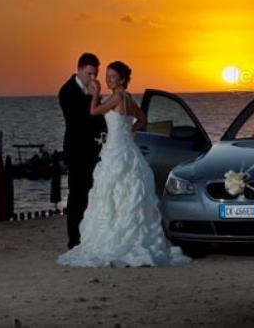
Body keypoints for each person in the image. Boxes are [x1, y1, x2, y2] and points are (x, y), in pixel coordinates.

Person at [57, 61, 190, 267]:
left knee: (112, 191)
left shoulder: (117, 96)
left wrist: (95, 94)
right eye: (107, 76)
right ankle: (135, 235)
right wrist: (129, 133)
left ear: (122, 79)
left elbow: (93, 112)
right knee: (128, 191)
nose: (108, 80)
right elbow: (142, 119)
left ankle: (114, 237)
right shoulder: (128, 98)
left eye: (112, 77)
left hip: (115, 150)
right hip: (127, 148)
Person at [58, 53, 107, 249]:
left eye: (95, 74)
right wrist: (94, 97)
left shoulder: (90, 89)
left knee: (90, 193)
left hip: (94, 150)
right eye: (89, 74)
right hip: (77, 151)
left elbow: (99, 118)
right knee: (77, 195)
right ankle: (74, 239)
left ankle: (89, 234)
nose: (92, 78)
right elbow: (80, 120)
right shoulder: (67, 91)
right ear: (79, 70)